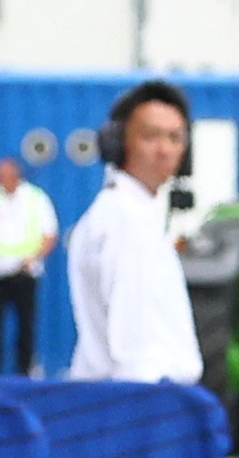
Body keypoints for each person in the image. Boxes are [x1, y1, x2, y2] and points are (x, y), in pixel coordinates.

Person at [67, 81, 206, 382]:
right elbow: (131, 344)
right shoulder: (125, 220)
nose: (164, 149)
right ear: (118, 143)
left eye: (175, 137)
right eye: (150, 136)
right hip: (139, 402)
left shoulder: (130, 214)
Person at [0, 154, 59, 375]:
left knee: (25, 324)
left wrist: (34, 257)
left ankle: (23, 368)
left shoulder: (35, 198)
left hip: (23, 271)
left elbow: (49, 234)